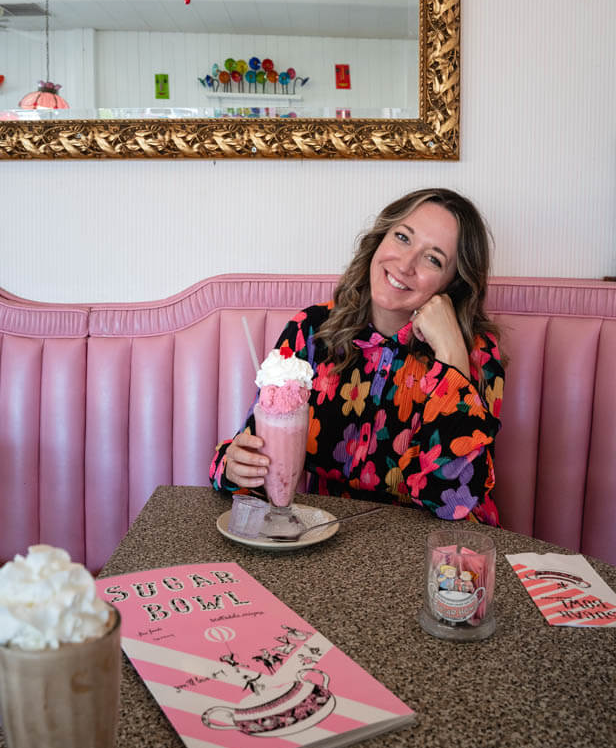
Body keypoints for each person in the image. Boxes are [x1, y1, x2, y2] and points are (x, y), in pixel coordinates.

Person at [209, 188, 504, 524]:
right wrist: (233, 466)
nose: (405, 265)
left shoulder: (478, 355)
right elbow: (262, 459)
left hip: (438, 554)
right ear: (380, 239)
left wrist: (452, 356)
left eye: (433, 258)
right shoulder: (311, 330)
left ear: (454, 284)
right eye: (403, 237)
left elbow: (454, 501)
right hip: (325, 540)